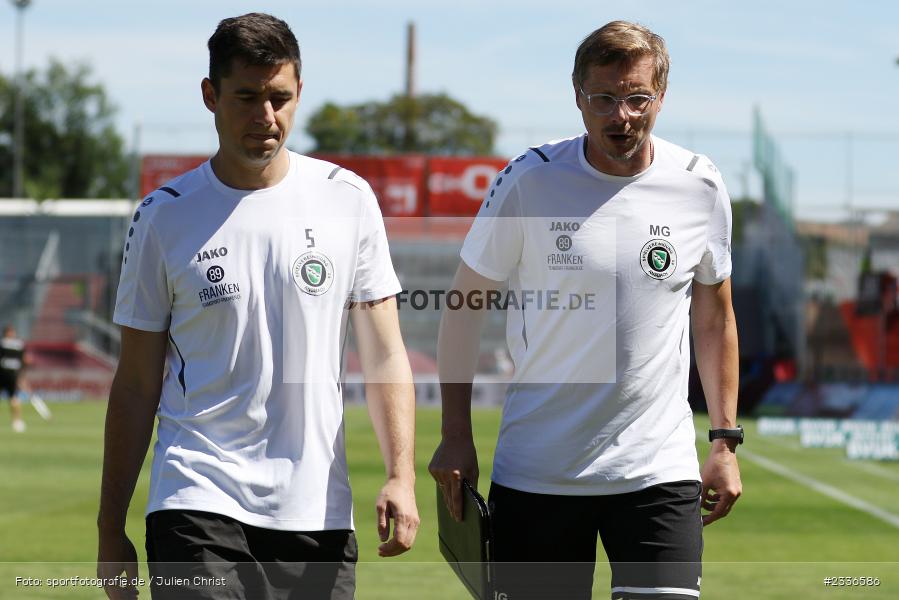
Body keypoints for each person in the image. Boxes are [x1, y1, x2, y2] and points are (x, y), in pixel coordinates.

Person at [97, 13, 419, 600]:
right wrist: (109, 528)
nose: (265, 117)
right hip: (195, 495)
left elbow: (385, 356)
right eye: (246, 97)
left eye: (280, 98)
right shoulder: (162, 215)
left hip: (317, 509)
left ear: (299, 95)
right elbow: (137, 382)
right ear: (210, 96)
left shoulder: (347, 200)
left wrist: (401, 474)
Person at [430, 21, 742, 600]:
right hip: (538, 473)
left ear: (661, 97)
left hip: (658, 471)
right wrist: (455, 434)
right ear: (577, 96)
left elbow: (715, 318)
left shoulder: (700, 184)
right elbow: (465, 305)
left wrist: (723, 442)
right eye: (603, 98)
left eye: (637, 98)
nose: (620, 115)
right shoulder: (530, 180)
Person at [0, 324, 27, 432]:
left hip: (5, 374)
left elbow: (23, 361)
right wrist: (21, 376)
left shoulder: (2, 343)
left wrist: (21, 377)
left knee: (14, 398)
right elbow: (24, 361)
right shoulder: (19, 344)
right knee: (14, 398)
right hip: (11, 374)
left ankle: (17, 421)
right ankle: (17, 421)